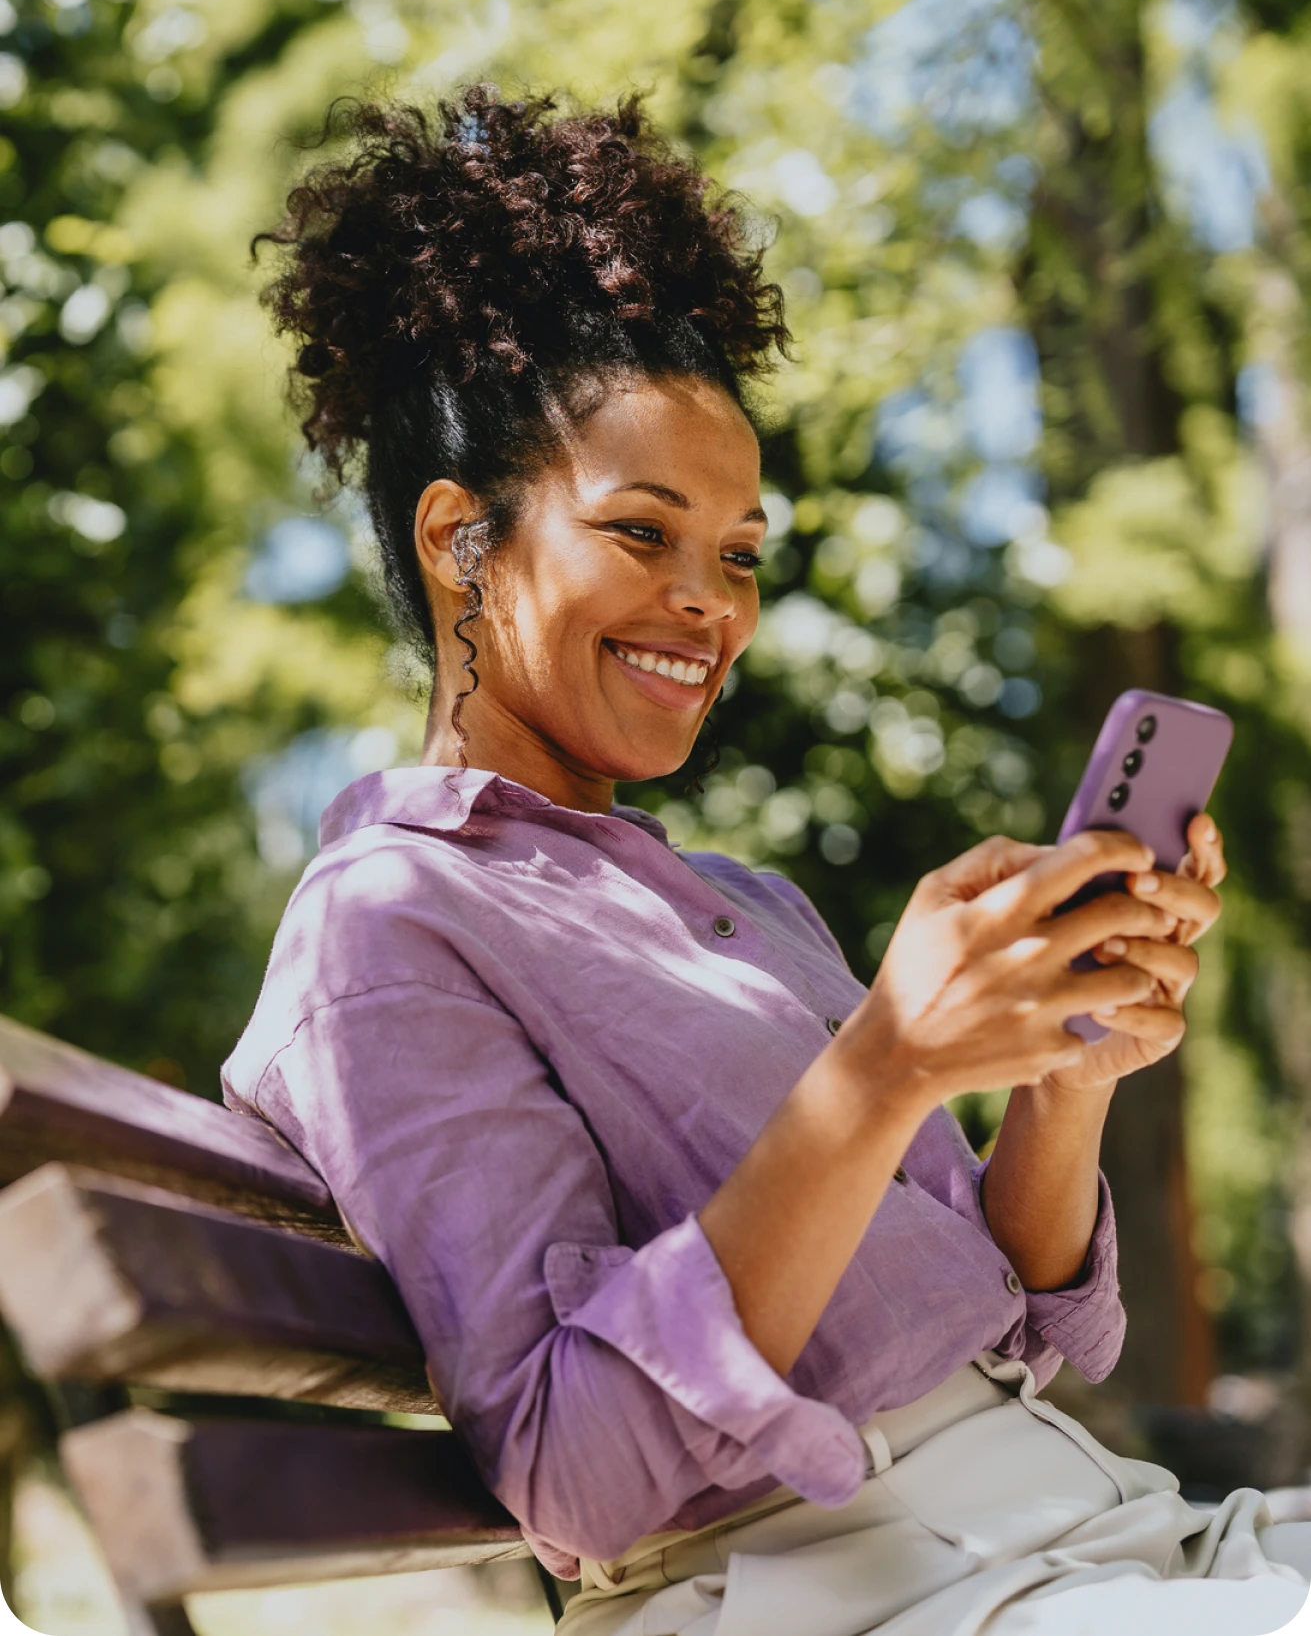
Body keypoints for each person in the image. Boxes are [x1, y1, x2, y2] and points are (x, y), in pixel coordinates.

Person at [222, 84, 1311, 1635]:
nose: (709, 603)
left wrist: (1067, 1067)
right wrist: (884, 1061)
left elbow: (1021, 1318)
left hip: (1089, 1532)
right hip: (841, 1592)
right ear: (459, 540)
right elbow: (573, 1472)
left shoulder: (740, 903)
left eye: (737, 554)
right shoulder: (387, 926)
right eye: (642, 532)